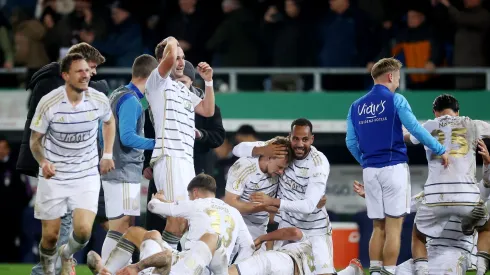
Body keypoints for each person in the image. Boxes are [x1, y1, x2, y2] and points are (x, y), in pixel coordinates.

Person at [345, 57, 448, 275]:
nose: (398, 83)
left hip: (370, 171)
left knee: (377, 227)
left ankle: (374, 271)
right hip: (394, 168)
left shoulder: (355, 107)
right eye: (398, 78)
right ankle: (389, 272)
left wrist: (366, 162)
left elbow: (351, 143)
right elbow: (416, 129)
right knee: (394, 227)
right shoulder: (396, 100)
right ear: (391, 76)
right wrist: (440, 149)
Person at [19, 42, 110, 275]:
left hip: (82, 171)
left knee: (76, 228)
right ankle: (48, 269)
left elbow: (107, 123)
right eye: (89, 67)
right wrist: (42, 162)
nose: (92, 73)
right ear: (69, 71)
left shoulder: (94, 95)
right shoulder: (51, 92)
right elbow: (36, 132)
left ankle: (62, 261)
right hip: (54, 169)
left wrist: (106, 154)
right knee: (52, 233)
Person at [232, 118, 335, 275]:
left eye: (305, 139)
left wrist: (272, 202)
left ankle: (350, 271)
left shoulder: (319, 162)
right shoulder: (281, 150)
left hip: (315, 230)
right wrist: (262, 150)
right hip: (286, 228)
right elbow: (237, 149)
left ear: (312, 139)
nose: (300, 144)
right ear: (290, 137)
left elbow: (308, 207)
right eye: (296, 138)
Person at [404, 94, 490, 275]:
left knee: (418, 233)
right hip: (467, 195)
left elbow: (406, 137)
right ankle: (481, 269)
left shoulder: (428, 125)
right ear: (458, 111)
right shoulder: (472, 124)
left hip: (436, 195)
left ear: (435, 113)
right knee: (485, 227)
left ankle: (421, 271)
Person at [144, 36, 215, 248]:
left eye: (183, 58)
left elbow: (207, 110)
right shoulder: (157, 82)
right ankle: (159, 262)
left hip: (185, 159)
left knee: (188, 219)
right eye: (177, 58)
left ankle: (170, 262)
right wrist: (172, 40)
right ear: (163, 60)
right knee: (178, 218)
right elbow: (171, 49)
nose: (181, 62)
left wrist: (208, 81)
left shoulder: (183, 89)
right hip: (169, 157)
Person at [99, 54, 158, 266]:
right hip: (123, 171)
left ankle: (115, 268)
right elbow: (127, 137)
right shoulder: (131, 100)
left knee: (124, 225)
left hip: (117, 169)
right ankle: (107, 270)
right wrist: (159, 143)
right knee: (121, 226)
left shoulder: (117, 94)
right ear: (150, 77)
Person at [353, 180, 479, 275]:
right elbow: (402, 205)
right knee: (396, 272)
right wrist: (370, 196)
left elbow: (486, 185)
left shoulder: (471, 195)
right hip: (428, 253)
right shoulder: (430, 194)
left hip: (455, 252)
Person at [147, 173, 255, 271]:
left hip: (192, 266)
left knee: (150, 237)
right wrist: (232, 270)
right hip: (220, 270)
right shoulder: (234, 212)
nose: (190, 199)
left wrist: (156, 198)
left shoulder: (196, 204)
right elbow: (249, 246)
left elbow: (153, 207)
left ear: (195, 192)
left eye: (189, 197)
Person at [223, 136, 292, 240]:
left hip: (261, 228)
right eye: (280, 167)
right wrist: (262, 207)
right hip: (236, 224)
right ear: (269, 157)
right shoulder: (243, 167)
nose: (281, 172)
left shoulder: (281, 165)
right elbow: (230, 203)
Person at [229, 227, 363, 275]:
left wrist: (262, 238)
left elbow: (293, 231)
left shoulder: (308, 240)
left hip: (283, 262)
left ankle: (353, 269)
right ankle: (353, 269)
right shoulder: (323, 266)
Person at [87, 228, 221, 275]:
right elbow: (167, 256)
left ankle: (106, 269)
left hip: (165, 261)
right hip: (185, 268)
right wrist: (136, 267)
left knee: (139, 233)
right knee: (212, 238)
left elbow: (91, 256)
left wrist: (106, 269)